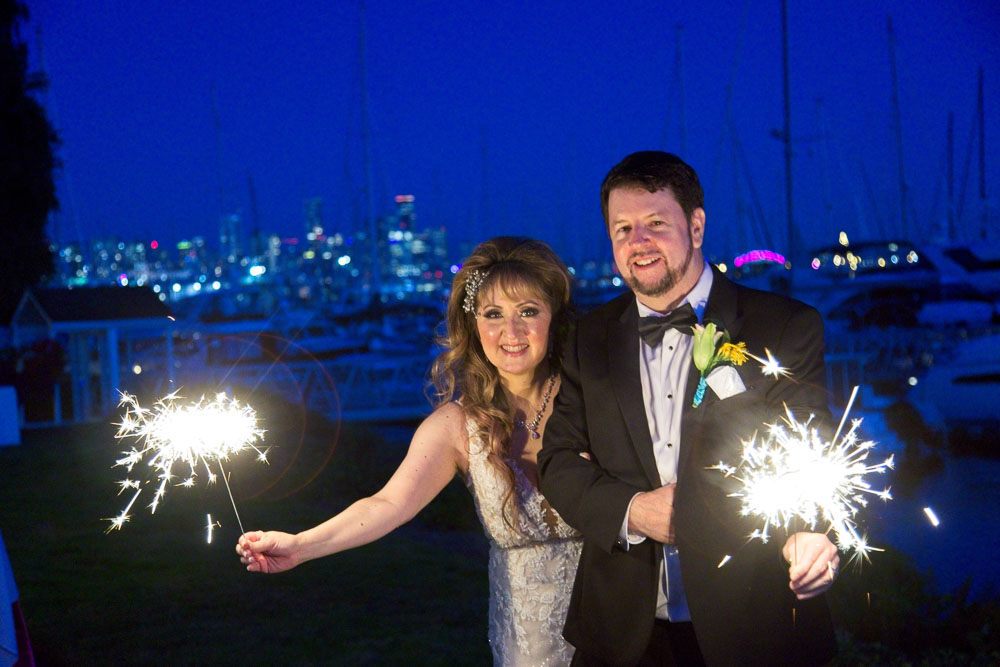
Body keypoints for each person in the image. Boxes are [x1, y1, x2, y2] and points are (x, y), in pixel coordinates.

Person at [537, 151, 840, 666]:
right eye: (623, 229)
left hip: (752, 622)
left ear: (696, 226)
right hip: (624, 632)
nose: (638, 243)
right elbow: (558, 464)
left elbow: (812, 451)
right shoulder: (586, 338)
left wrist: (814, 532)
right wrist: (634, 512)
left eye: (656, 224)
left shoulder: (784, 326)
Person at [236, 236, 583, 666]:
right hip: (528, 647)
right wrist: (301, 545)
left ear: (554, 318)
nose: (510, 333)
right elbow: (389, 503)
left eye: (527, 312)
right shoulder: (456, 426)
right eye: (493, 314)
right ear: (474, 325)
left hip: (618, 627)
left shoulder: (592, 401)